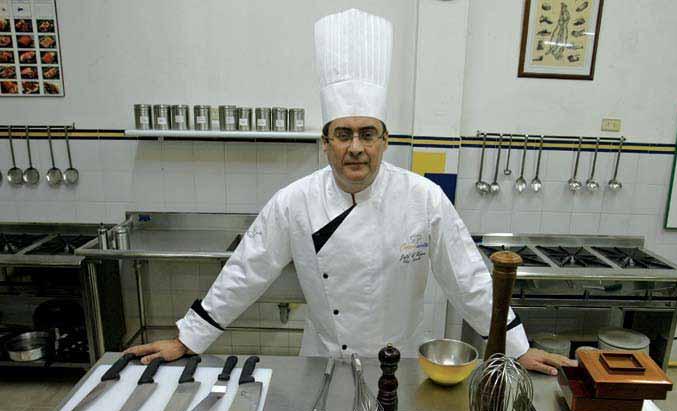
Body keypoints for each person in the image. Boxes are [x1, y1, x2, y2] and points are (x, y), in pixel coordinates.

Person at [127, 9, 575, 376]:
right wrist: (188, 339)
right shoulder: (295, 201)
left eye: (367, 133)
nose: (355, 147)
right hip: (324, 361)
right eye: (343, 134)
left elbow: (468, 279)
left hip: (402, 364)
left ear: (385, 140)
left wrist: (517, 347)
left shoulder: (423, 199)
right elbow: (246, 270)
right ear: (325, 143)